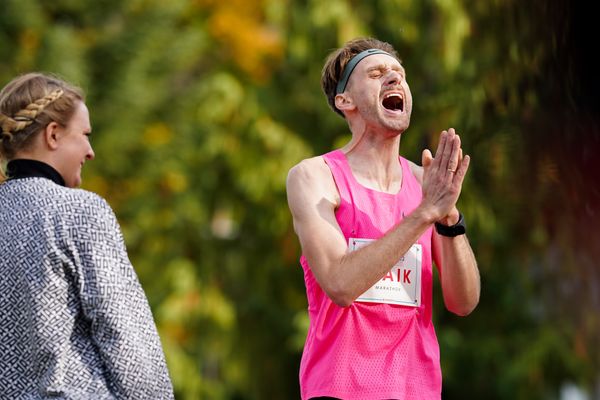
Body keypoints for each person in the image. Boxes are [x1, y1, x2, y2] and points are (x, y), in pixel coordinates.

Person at [286, 38, 481, 399]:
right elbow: (341, 284)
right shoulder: (315, 176)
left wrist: (449, 217)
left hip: (418, 390)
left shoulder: (427, 185)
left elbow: (463, 302)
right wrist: (425, 214)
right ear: (345, 101)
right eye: (377, 73)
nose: (393, 79)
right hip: (339, 389)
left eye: (399, 74)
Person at [0, 72, 174, 399]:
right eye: (84, 134)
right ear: (53, 135)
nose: (90, 151)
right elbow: (125, 337)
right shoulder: (77, 212)